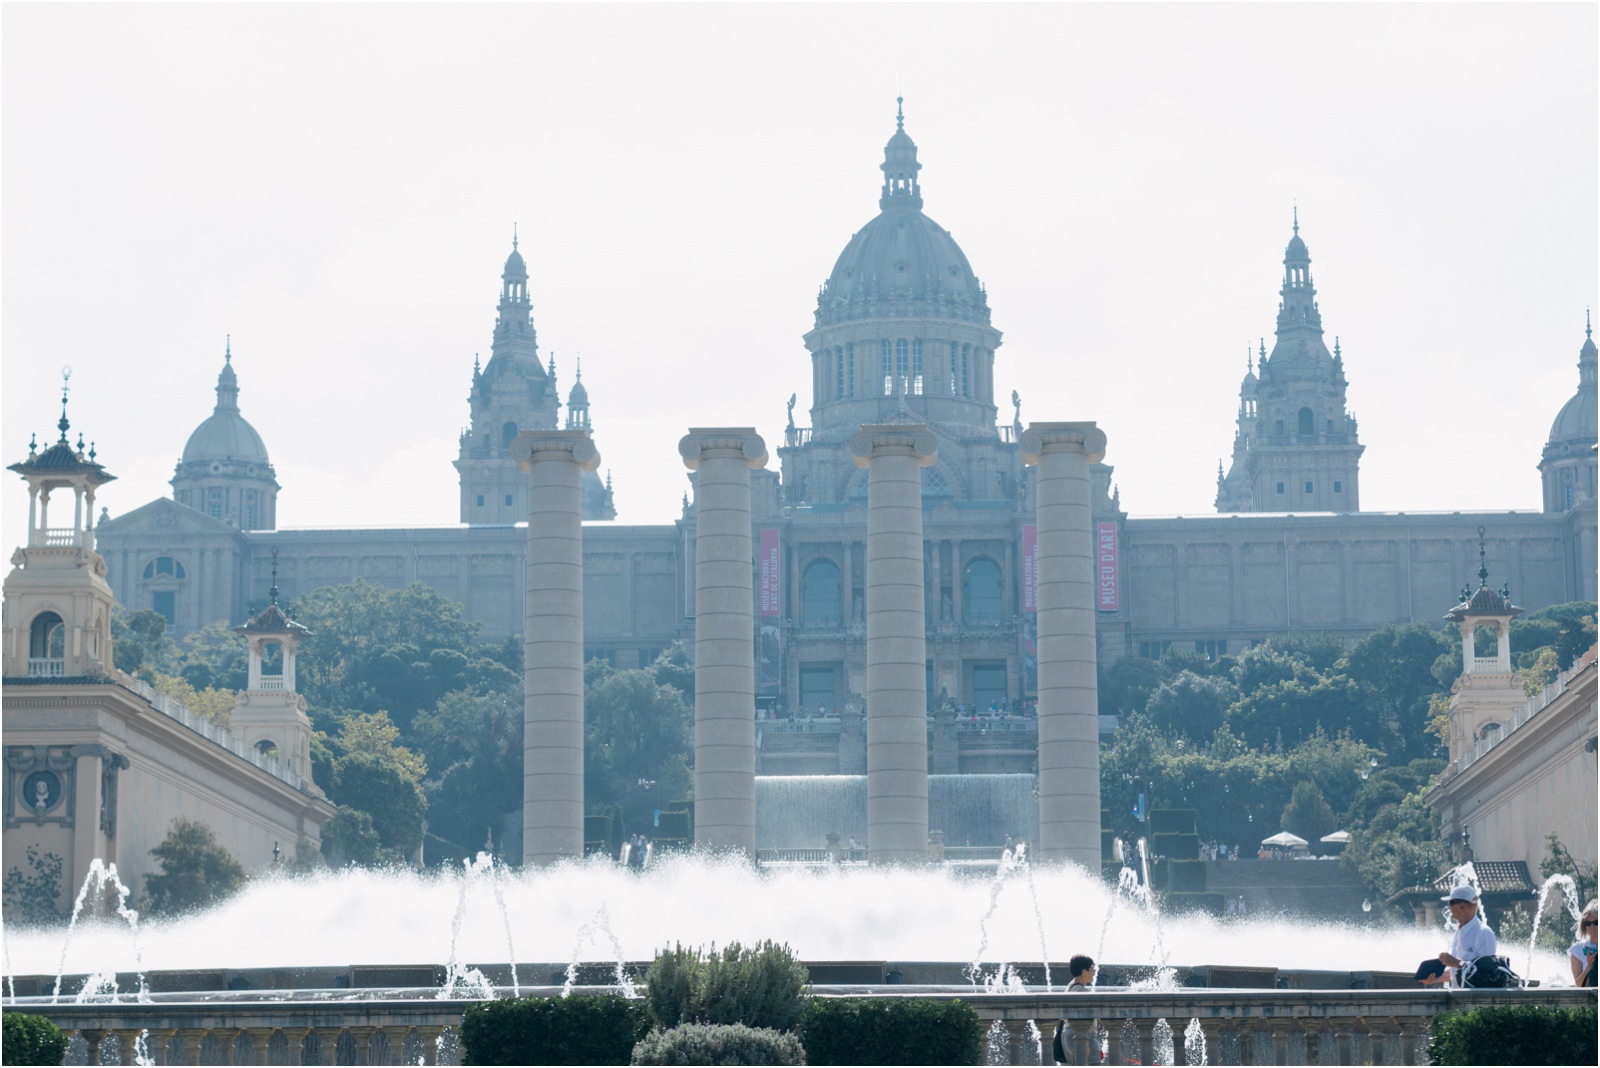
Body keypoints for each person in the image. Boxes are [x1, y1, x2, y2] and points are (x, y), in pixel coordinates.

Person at [1417, 886, 1497, 986]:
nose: (1449, 908)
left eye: (1450, 903)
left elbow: (1487, 973)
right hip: (1458, 998)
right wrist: (1435, 979)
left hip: (1475, 999)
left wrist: (1455, 962)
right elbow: (1456, 972)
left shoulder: (1484, 933)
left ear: (1462, 906)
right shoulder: (1458, 932)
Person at [1052, 955, 1099, 1064]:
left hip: (1067, 1035)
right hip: (1081, 1036)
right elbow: (1083, 1019)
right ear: (1084, 971)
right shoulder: (1080, 991)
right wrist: (1085, 1042)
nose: (1093, 972)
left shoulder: (1070, 986)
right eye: (1092, 969)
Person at [1569, 905, 1597, 987]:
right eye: (1588, 923)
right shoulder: (1577, 950)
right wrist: (1589, 967)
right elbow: (1579, 985)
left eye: (1596, 923)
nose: (1592, 927)